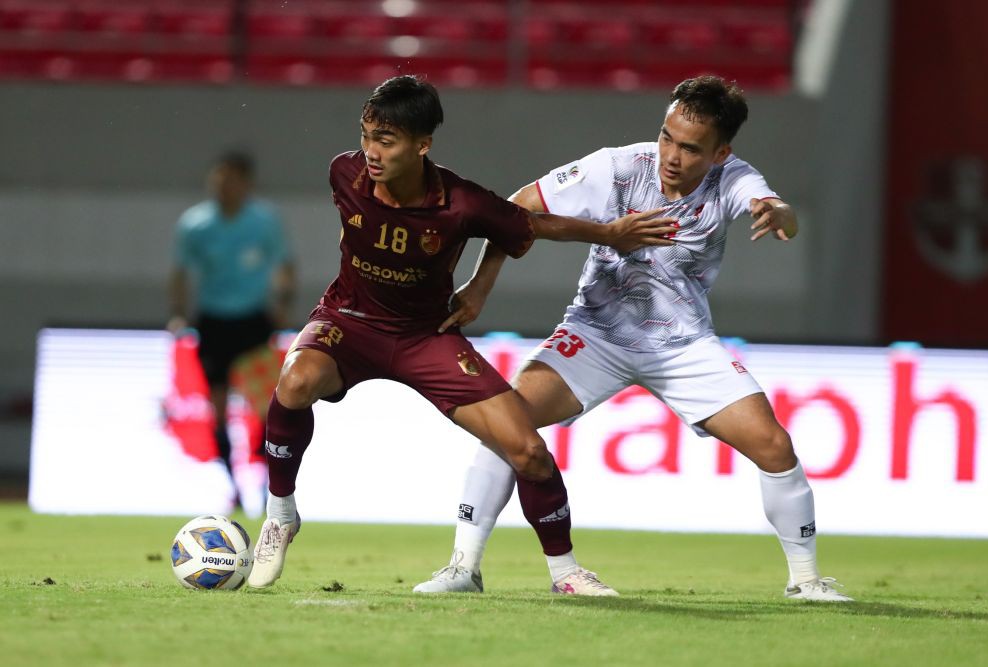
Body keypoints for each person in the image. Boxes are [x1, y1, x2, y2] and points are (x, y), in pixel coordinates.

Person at [414, 75, 853, 602]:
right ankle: (464, 566)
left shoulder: (734, 178)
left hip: (684, 345)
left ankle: (805, 581)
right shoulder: (617, 166)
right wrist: (481, 286)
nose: (672, 155)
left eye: (691, 148)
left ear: (720, 153)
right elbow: (515, 210)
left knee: (775, 445)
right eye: (667, 137)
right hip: (595, 335)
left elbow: (769, 204)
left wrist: (779, 213)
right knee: (507, 423)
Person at [245, 75, 676, 589]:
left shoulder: (461, 203)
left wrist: (607, 234)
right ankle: (280, 514)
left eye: (386, 140)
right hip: (349, 322)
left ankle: (565, 572)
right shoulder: (345, 173)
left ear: (422, 145)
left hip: (426, 337)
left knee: (529, 450)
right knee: (293, 381)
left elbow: (530, 225)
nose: (371, 152)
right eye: (366, 135)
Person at [168, 151, 296, 492]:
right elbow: (180, 272)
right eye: (219, 178)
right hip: (213, 321)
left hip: (254, 319)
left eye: (232, 179)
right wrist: (178, 312)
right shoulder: (196, 224)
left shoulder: (263, 222)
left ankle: (267, 476)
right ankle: (231, 482)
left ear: (247, 184)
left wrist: (283, 302)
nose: (224, 186)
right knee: (218, 404)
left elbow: (285, 264)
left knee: (268, 405)